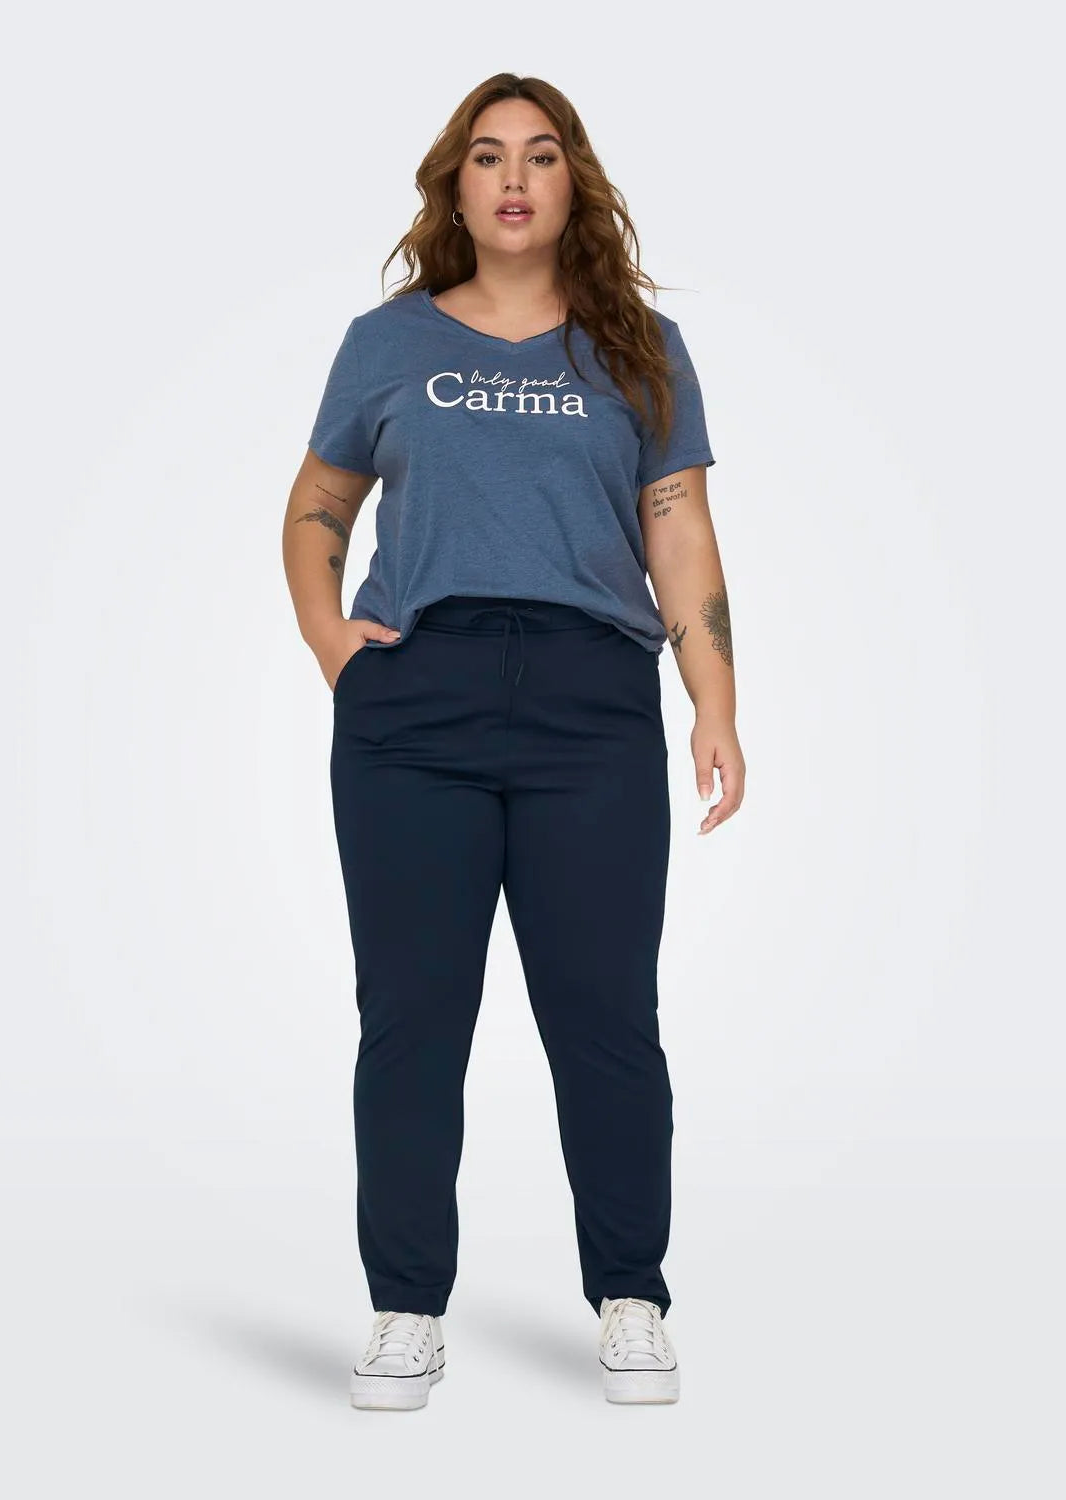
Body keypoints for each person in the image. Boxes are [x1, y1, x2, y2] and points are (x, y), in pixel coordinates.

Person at [282, 72, 746, 1411]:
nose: (513, 179)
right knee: (410, 1017)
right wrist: (332, 643)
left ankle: (631, 1297)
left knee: (604, 1017)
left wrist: (715, 700)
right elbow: (316, 505)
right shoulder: (387, 342)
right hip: (412, 706)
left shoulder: (638, 347)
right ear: (456, 183)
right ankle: (404, 1310)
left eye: (540, 156)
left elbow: (677, 527)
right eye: (487, 157)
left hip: (589, 703)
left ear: (572, 181)